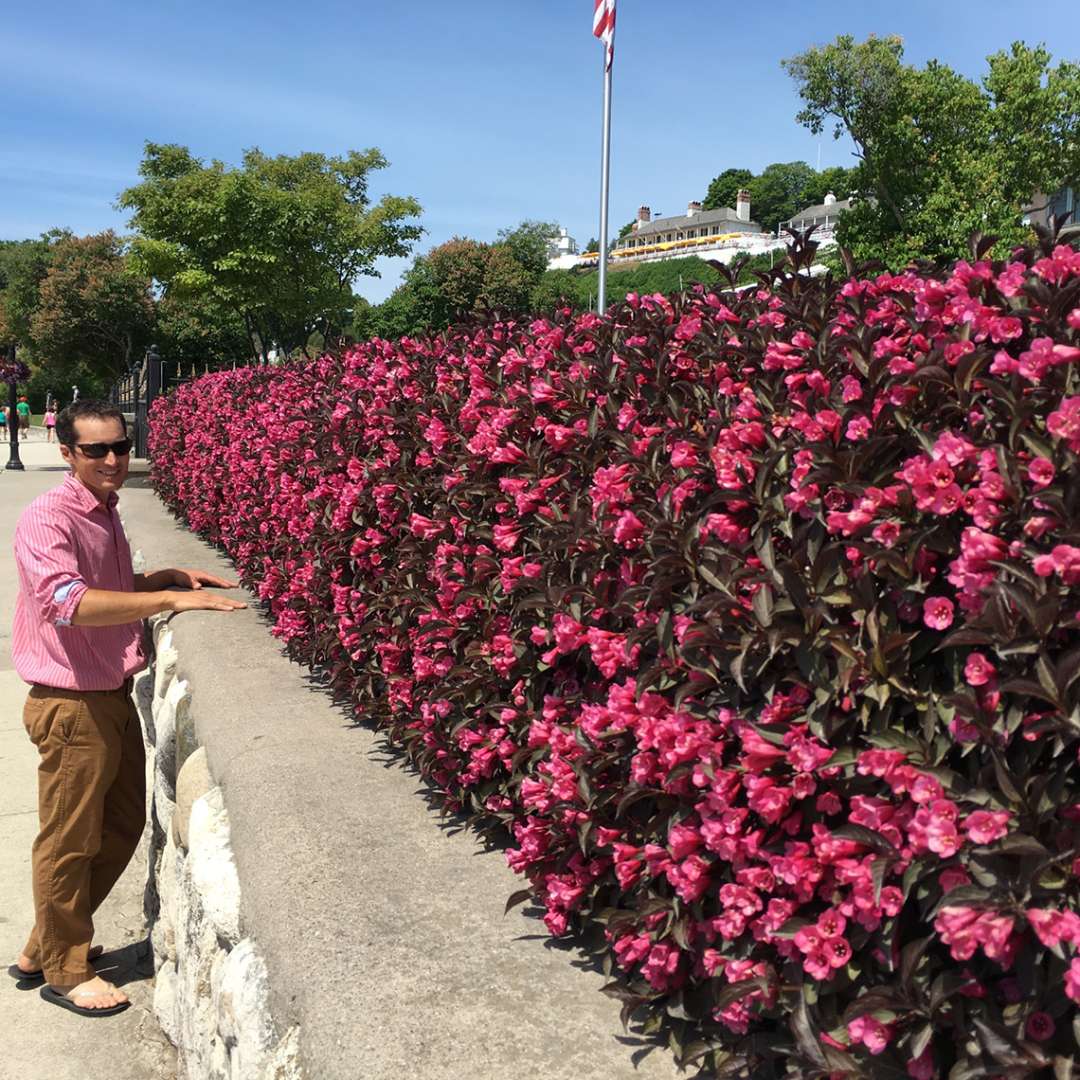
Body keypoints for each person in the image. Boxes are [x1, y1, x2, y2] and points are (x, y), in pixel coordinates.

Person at [8, 400, 247, 1017]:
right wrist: (166, 596)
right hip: (69, 703)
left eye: (120, 445)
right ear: (67, 453)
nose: (114, 459)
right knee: (69, 840)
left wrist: (163, 577)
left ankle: (44, 944)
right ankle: (65, 968)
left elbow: (104, 586)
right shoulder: (48, 516)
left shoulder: (105, 510)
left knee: (120, 828)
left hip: (108, 693)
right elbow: (70, 603)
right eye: (96, 450)